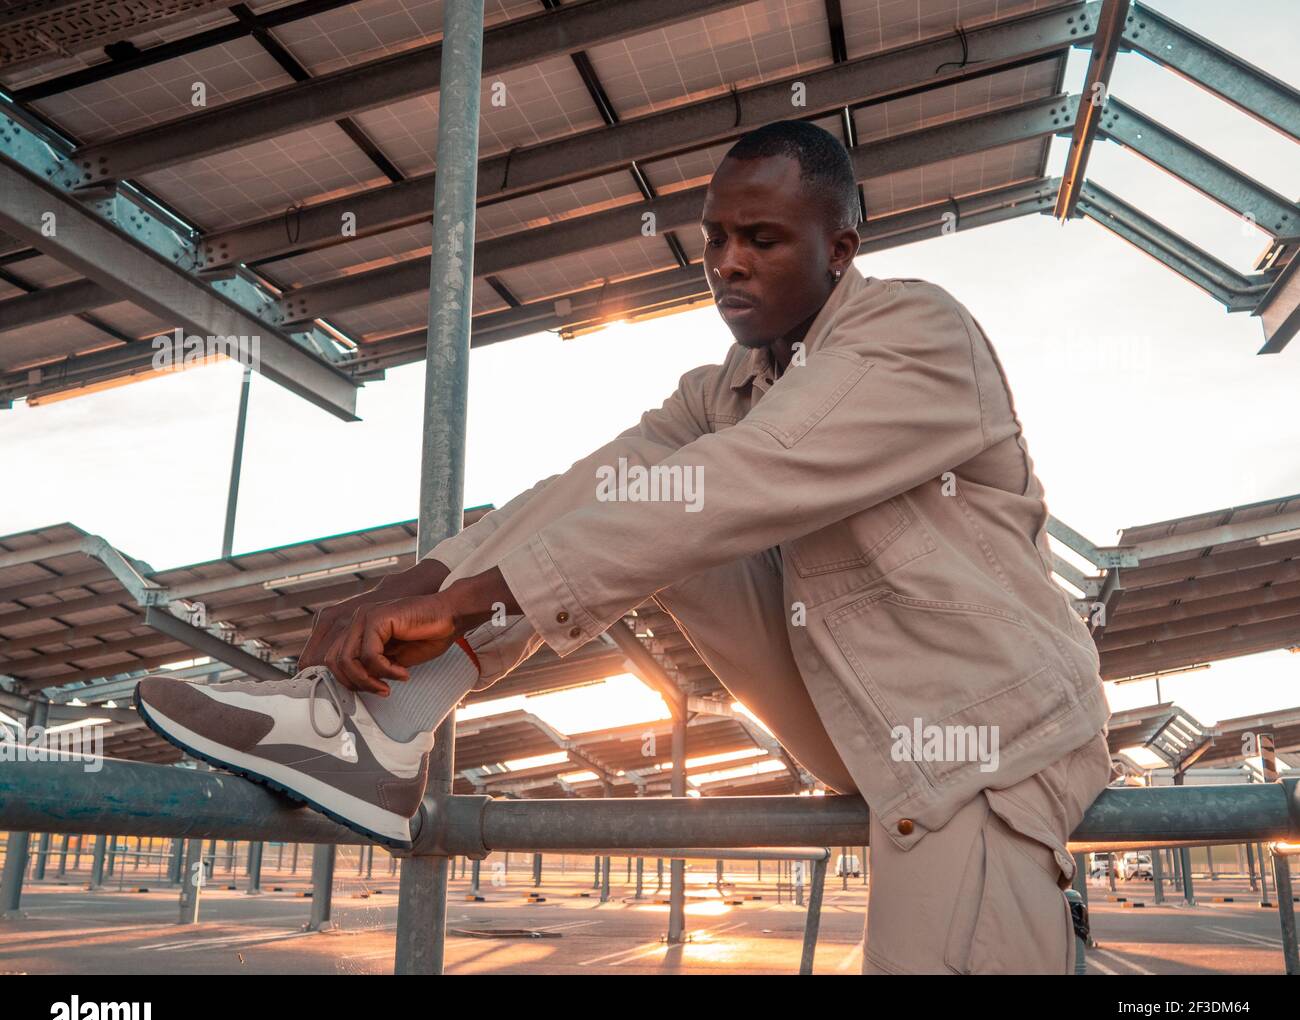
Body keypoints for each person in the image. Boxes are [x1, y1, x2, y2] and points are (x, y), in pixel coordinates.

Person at [136, 119, 1112, 974]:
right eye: (716, 239)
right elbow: (591, 489)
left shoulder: (917, 335)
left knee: (687, 503)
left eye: (763, 239)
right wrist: (422, 579)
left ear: (840, 248)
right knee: (626, 497)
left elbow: (745, 481)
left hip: (987, 740)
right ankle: (379, 727)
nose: (728, 263)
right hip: (852, 717)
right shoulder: (721, 390)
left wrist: (468, 601)